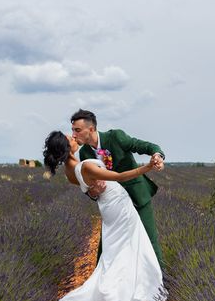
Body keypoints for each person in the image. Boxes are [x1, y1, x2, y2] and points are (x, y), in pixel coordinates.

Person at [43, 131, 166, 301]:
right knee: (131, 248)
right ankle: (119, 298)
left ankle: (129, 293)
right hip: (119, 208)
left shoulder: (70, 170)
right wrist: (147, 167)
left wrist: (93, 189)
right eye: (71, 139)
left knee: (117, 251)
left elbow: (88, 186)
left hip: (109, 207)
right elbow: (119, 176)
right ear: (67, 147)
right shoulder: (84, 164)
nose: (74, 137)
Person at [70, 109, 165, 267]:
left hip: (136, 197)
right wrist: (94, 193)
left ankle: (163, 282)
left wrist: (157, 155)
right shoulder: (85, 154)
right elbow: (89, 187)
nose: (73, 135)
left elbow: (145, 146)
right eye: (72, 130)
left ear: (91, 129)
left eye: (77, 130)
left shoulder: (115, 137)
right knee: (106, 246)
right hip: (113, 204)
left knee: (149, 239)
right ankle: (103, 284)